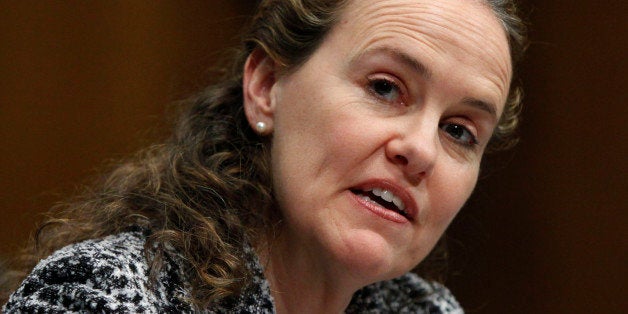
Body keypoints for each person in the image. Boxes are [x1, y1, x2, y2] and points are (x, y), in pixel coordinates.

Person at [2, 0, 527, 312]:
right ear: (267, 85)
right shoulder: (105, 296)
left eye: (459, 130)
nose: (420, 150)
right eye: (386, 88)